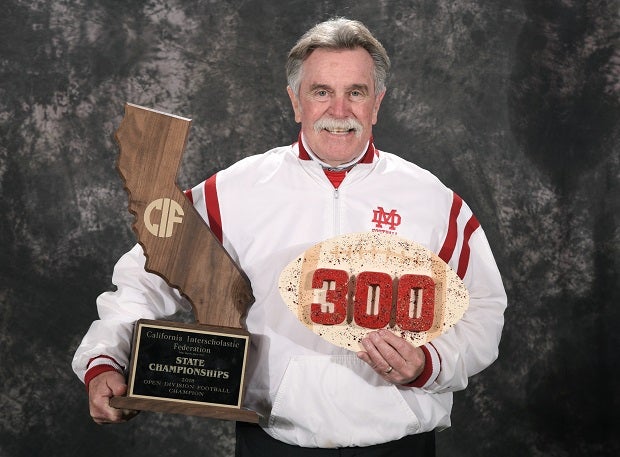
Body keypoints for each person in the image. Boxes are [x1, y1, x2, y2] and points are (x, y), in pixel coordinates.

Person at [72, 17, 506, 456]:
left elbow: (484, 309)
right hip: (274, 440)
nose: (339, 111)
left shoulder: (432, 201)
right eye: (321, 92)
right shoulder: (233, 192)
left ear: (377, 103)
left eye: (355, 92)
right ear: (296, 102)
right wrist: (105, 359)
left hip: (399, 443)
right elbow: (146, 273)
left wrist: (428, 364)